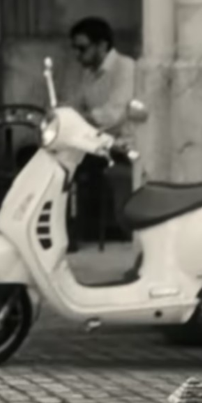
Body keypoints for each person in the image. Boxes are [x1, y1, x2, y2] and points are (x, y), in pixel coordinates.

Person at [67, 16, 138, 250]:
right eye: (75, 48)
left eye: (82, 48)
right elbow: (76, 104)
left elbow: (115, 114)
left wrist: (80, 119)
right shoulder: (88, 73)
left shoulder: (125, 67)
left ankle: (74, 232)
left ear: (102, 46)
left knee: (71, 165)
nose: (77, 54)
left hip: (122, 147)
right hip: (97, 144)